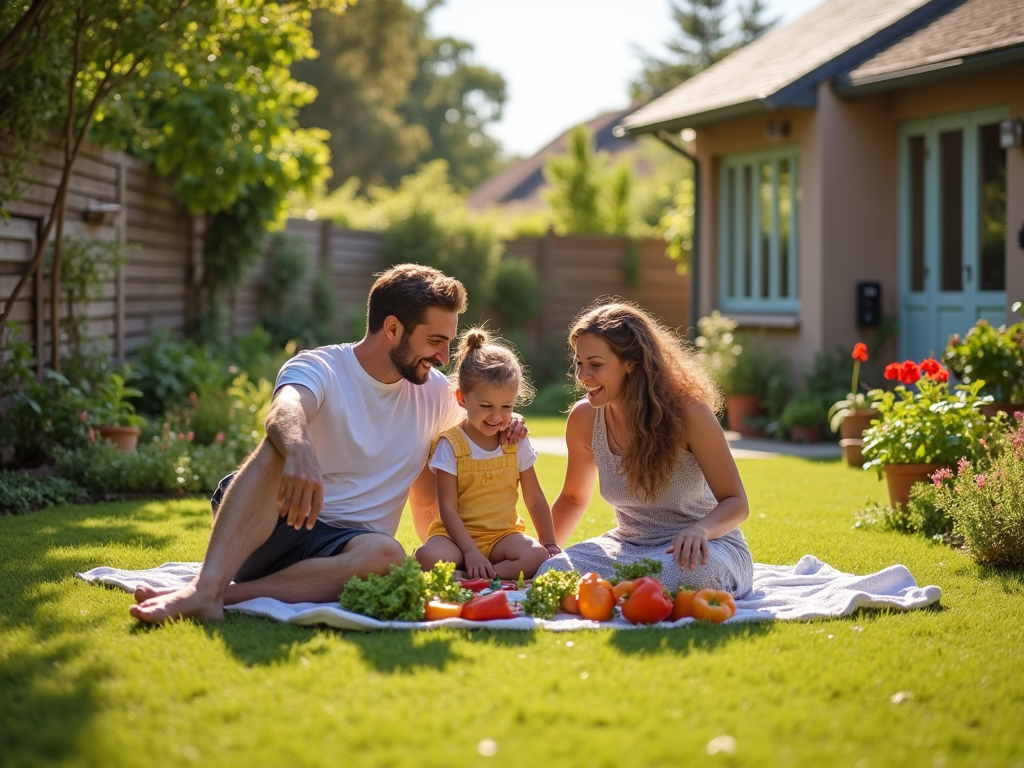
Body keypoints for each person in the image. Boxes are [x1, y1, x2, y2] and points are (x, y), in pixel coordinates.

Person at [131, 264, 524, 624]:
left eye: (448, 342)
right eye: (435, 340)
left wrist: (509, 424)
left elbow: (474, 435)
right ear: (392, 328)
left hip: (346, 553)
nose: (443, 356)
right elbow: (285, 410)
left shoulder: (436, 394)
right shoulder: (321, 367)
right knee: (277, 446)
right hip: (271, 526)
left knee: (389, 555)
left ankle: (220, 596)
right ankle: (207, 586)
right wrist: (299, 449)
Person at [536, 301, 753, 596]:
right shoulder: (584, 418)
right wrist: (546, 551)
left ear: (632, 362)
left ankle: (627, 590)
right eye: (579, 363)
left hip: (703, 548)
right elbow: (573, 498)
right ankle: (634, 590)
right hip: (628, 547)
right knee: (554, 572)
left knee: (691, 575)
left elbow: (736, 502)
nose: (582, 375)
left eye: (595, 364)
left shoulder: (689, 414)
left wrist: (701, 530)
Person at [415, 329, 560, 580]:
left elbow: (534, 498)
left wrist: (549, 544)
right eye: (486, 406)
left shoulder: (516, 441)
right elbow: (447, 509)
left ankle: (474, 575)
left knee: (536, 556)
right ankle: (476, 569)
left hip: (502, 536)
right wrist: (470, 551)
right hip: (455, 538)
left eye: (506, 406)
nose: (497, 416)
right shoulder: (450, 445)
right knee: (426, 557)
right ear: (462, 398)